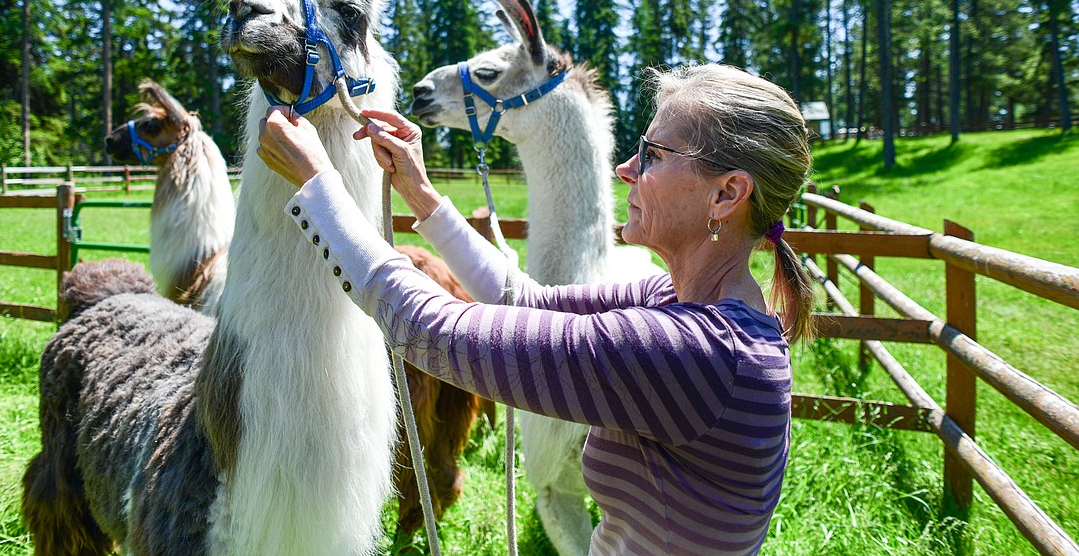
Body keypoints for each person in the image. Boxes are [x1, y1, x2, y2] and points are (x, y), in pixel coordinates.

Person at [257, 63, 814, 556]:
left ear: (726, 194)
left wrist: (318, 187)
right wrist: (422, 192)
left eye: (653, 155)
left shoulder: (700, 352)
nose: (626, 169)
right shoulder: (683, 303)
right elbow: (525, 301)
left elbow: (436, 332)